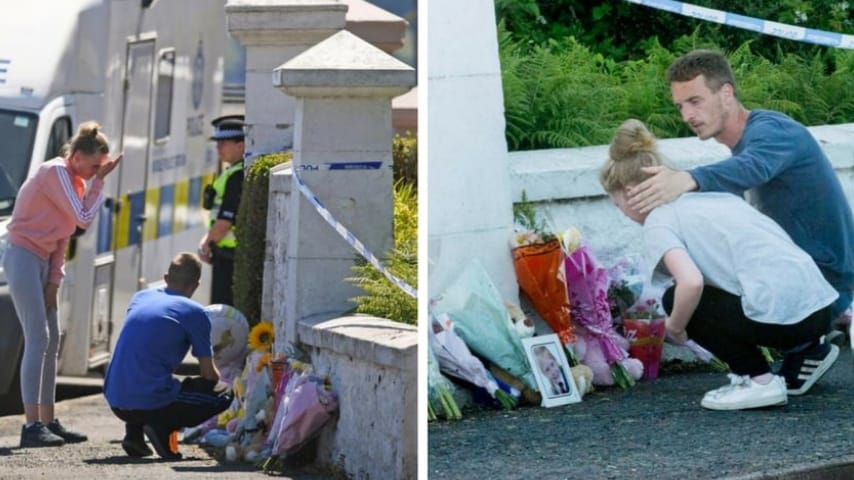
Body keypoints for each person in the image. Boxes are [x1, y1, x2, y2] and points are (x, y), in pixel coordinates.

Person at [601, 119, 839, 411]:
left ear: (631, 192)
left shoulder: (658, 221)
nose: (621, 213)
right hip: (821, 309)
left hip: (786, 321)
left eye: (616, 204)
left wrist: (674, 328)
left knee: (676, 298)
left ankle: (759, 380)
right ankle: (807, 350)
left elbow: (691, 283)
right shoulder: (708, 196)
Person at [626, 49, 854, 335]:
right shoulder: (746, 143)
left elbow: (752, 166)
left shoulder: (773, 132)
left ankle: (802, 350)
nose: (687, 115)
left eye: (695, 101)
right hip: (804, 280)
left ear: (726, 93)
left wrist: (688, 178)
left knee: (684, 300)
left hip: (824, 284)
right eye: (680, 106)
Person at [4, 121, 121, 448]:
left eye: (100, 167)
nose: (98, 171)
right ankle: (31, 426)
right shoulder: (55, 173)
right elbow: (83, 219)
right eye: (94, 165)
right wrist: (99, 183)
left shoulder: (77, 183)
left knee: (52, 338)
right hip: (23, 255)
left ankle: (48, 419)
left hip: (43, 260)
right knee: (37, 337)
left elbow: (64, 237)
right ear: (77, 156)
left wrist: (55, 281)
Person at [104, 252, 232, 459]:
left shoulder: (140, 297)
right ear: (196, 285)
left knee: (144, 372)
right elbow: (209, 375)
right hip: (148, 402)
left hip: (115, 399)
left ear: (165, 278)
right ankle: (162, 426)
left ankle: (134, 435)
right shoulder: (195, 313)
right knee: (223, 392)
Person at [198, 115, 246, 306]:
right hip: (225, 254)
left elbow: (225, 220)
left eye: (223, 143)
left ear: (240, 145)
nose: (218, 148)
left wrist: (206, 242)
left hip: (230, 257)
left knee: (222, 308)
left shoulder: (237, 176)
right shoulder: (231, 171)